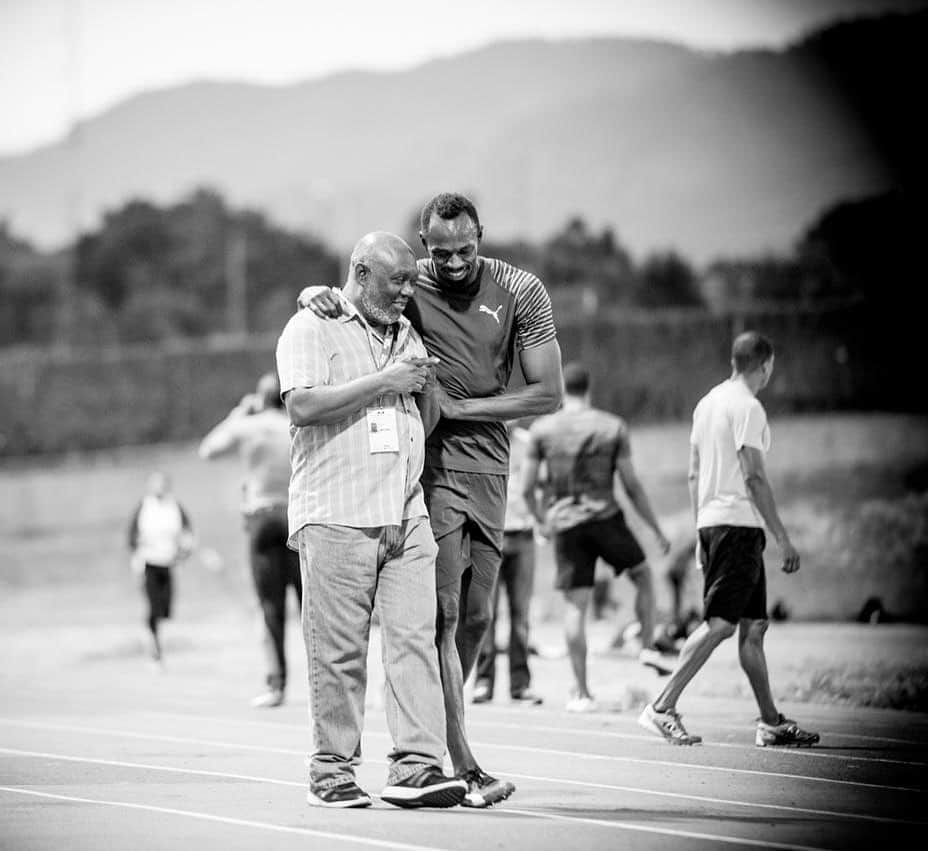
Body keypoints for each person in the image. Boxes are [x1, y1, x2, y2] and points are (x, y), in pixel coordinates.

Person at [299, 192, 563, 807]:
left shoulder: (520, 289)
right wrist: (314, 293)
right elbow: (355, 290)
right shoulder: (408, 283)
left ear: (481, 237)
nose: (451, 263)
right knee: (438, 619)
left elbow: (548, 395)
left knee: (475, 620)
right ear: (424, 246)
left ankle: (435, 737)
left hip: (492, 470)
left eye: (464, 249)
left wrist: (467, 408)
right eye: (439, 252)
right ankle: (452, 760)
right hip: (432, 469)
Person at [276, 231, 466, 810]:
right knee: (339, 654)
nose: (408, 291)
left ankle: (416, 768)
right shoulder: (311, 327)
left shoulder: (405, 331)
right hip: (336, 515)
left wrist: (422, 388)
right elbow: (302, 405)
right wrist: (386, 381)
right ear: (360, 272)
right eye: (397, 281)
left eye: (412, 280)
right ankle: (331, 772)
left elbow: (420, 415)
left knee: (414, 643)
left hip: (405, 514)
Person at [638, 332, 820, 748]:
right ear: (766, 365)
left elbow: (693, 472)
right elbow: (753, 475)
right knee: (720, 624)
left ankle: (771, 722)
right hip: (737, 526)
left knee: (754, 626)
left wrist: (702, 531)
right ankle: (661, 707)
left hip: (718, 525)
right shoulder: (748, 407)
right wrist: (783, 538)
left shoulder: (708, 403)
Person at [522, 362, 673, 712]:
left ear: (563, 388)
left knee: (576, 607)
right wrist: (654, 528)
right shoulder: (611, 426)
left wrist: (541, 521)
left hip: (567, 525)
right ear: (588, 390)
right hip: (606, 518)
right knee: (643, 576)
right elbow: (631, 485)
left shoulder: (543, 430)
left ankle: (581, 691)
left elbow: (528, 487)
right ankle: (647, 644)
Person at [198, 371, 301, 709]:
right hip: (295, 514)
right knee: (310, 605)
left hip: (261, 516)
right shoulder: (295, 422)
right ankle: (325, 684)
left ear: (259, 399)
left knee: (270, 606)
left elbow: (208, 450)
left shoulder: (248, 426)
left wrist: (237, 414)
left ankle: (276, 684)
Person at [473, 422, 543, 706]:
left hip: (523, 536)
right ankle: (483, 681)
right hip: (490, 535)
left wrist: (543, 517)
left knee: (521, 615)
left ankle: (520, 684)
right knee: (485, 615)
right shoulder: (482, 439)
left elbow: (544, 483)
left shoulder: (529, 443)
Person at [128, 471, 194, 665]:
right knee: (153, 605)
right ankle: (154, 645)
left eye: (163, 483)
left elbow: (188, 532)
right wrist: (136, 554)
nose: (160, 487)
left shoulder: (175, 506)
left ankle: (154, 636)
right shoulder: (144, 506)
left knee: (165, 608)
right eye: (156, 483)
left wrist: (184, 552)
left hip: (168, 562)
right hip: (148, 562)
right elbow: (131, 536)